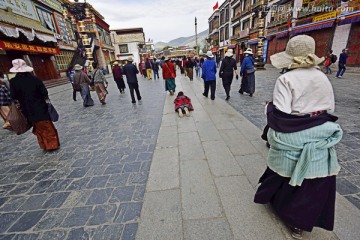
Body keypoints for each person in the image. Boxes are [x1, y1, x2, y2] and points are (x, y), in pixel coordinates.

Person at [254, 35, 342, 240]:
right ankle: (299, 223)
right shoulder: (322, 76)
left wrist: (269, 107)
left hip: (293, 131)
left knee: (283, 168)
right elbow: (329, 107)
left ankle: (275, 200)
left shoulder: (286, 79)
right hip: (321, 129)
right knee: (314, 178)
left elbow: (282, 113)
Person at [9, 59, 60, 151]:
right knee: (47, 126)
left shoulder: (13, 82)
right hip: (40, 107)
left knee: (37, 127)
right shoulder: (35, 79)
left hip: (27, 109)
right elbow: (44, 92)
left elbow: (13, 96)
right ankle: (52, 145)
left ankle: (43, 144)